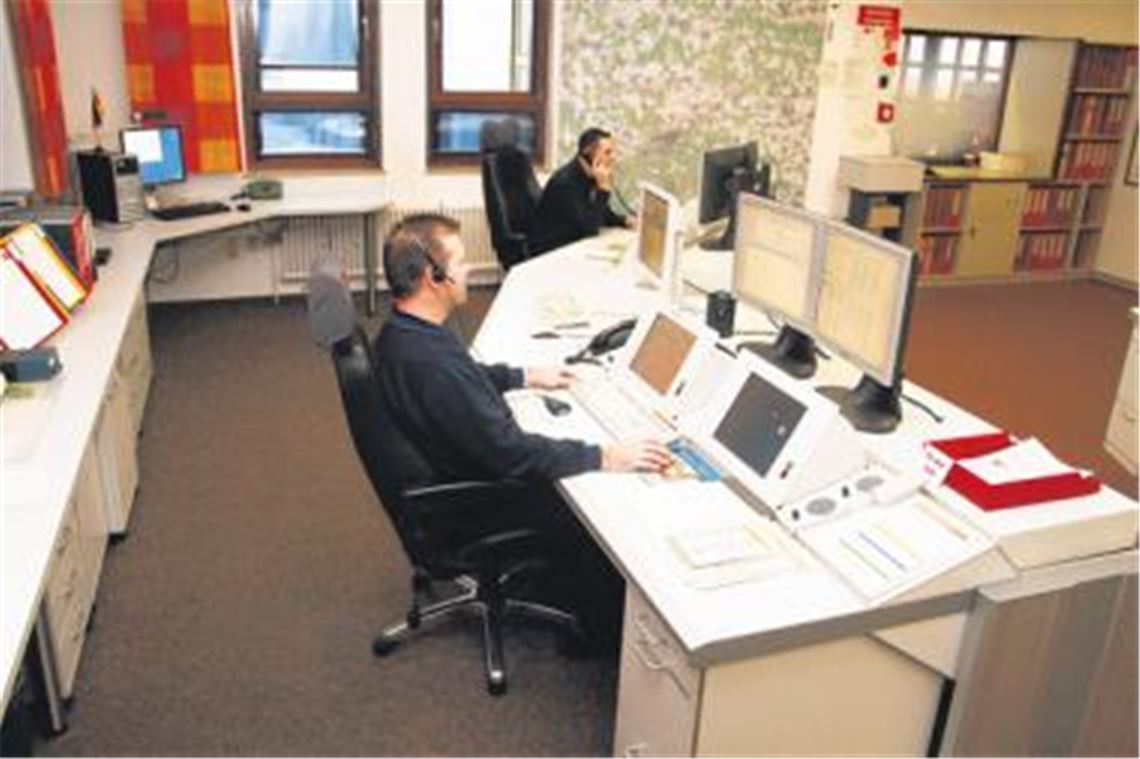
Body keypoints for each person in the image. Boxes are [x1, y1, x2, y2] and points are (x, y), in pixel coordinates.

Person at [373, 212, 670, 644]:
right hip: (477, 497)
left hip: (449, 469)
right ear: (431, 277)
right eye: (459, 262)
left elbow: (466, 378)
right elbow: (510, 452)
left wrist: (524, 375)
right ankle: (596, 630)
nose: (469, 269)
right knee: (599, 508)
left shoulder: (407, 333)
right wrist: (605, 455)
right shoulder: (431, 363)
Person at [528, 127, 637, 257]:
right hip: (550, 251)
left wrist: (625, 220)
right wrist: (603, 188)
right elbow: (589, 228)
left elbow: (601, 213)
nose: (613, 157)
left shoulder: (589, 174)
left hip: (571, 243)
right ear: (587, 153)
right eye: (607, 152)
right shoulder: (566, 182)